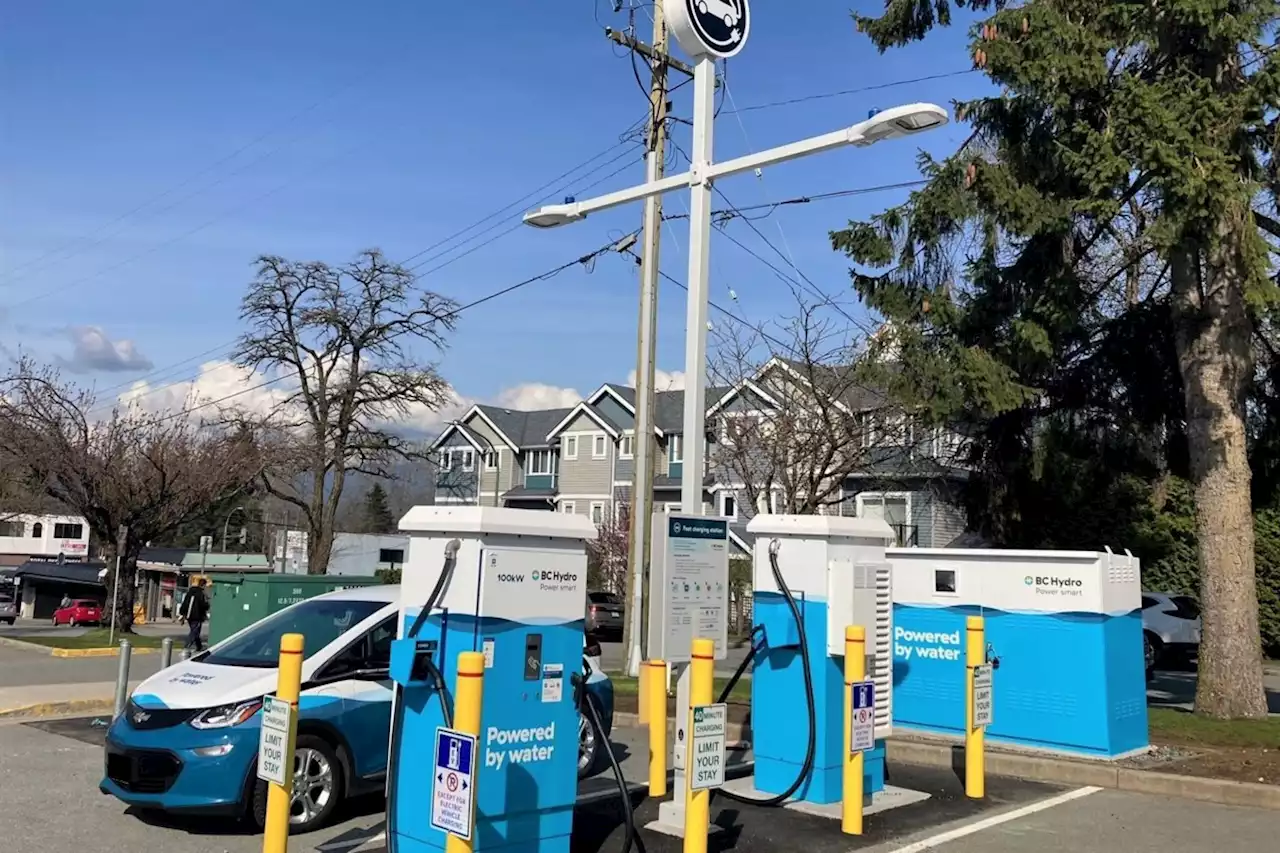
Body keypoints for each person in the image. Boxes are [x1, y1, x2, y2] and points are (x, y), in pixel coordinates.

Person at [181, 579, 209, 652]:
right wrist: (207, 605)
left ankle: (199, 646)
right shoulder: (201, 594)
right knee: (194, 631)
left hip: (189, 615)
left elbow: (185, 603)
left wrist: (183, 613)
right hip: (197, 616)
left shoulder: (190, 592)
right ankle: (186, 646)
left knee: (196, 631)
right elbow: (203, 605)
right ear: (203, 585)